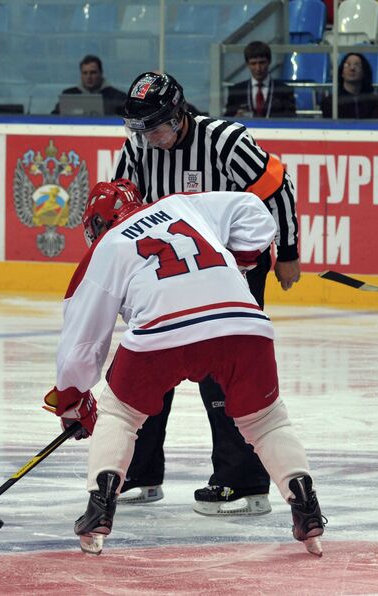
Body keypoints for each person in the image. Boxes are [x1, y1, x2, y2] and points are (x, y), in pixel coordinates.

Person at [43, 180, 325, 556]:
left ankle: (100, 508)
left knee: (121, 415)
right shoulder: (184, 205)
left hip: (161, 335)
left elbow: (82, 343)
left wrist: (72, 401)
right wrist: (238, 260)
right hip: (241, 321)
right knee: (267, 422)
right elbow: (255, 212)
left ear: (95, 225)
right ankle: (306, 508)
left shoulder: (106, 247)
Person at [112, 72, 301, 515]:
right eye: (137, 129)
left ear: (179, 117)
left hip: (230, 271)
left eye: (154, 127)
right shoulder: (140, 145)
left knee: (227, 373)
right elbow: (122, 204)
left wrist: (288, 251)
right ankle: (139, 472)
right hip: (166, 271)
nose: (145, 138)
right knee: (149, 363)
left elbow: (278, 189)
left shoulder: (225, 141)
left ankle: (243, 481)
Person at [224, 41, 297, 118]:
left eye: (262, 63)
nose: (258, 68)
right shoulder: (236, 90)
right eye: (253, 63)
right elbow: (228, 120)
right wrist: (236, 118)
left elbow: (291, 119)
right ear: (247, 64)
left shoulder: (284, 90)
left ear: (269, 62)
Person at [51, 55, 127, 116]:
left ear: (101, 73)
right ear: (81, 74)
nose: (89, 77)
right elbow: (54, 119)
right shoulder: (69, 95)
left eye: (93, 72)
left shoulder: (117, 98)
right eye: (85, 73)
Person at [320, 52, 378, 119]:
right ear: (342, 73)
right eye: (347, 65)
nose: (352, 68)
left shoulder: (374, 101)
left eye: (357, 65)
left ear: (364, 72)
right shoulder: (330, 102)